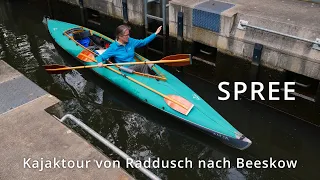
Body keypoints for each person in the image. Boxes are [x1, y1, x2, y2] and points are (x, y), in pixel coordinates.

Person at [96, 24, 162, 74]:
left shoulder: (131, 41)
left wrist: (155, 33)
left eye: (128, 34)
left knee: (145, 65)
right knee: (144, 65)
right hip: (126, 69)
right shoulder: (113, 47)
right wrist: (99, 62)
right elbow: (100, 57)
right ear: (120, 36)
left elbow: (143, 42)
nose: (129, 37)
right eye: (126, 35)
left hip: (134, 65)